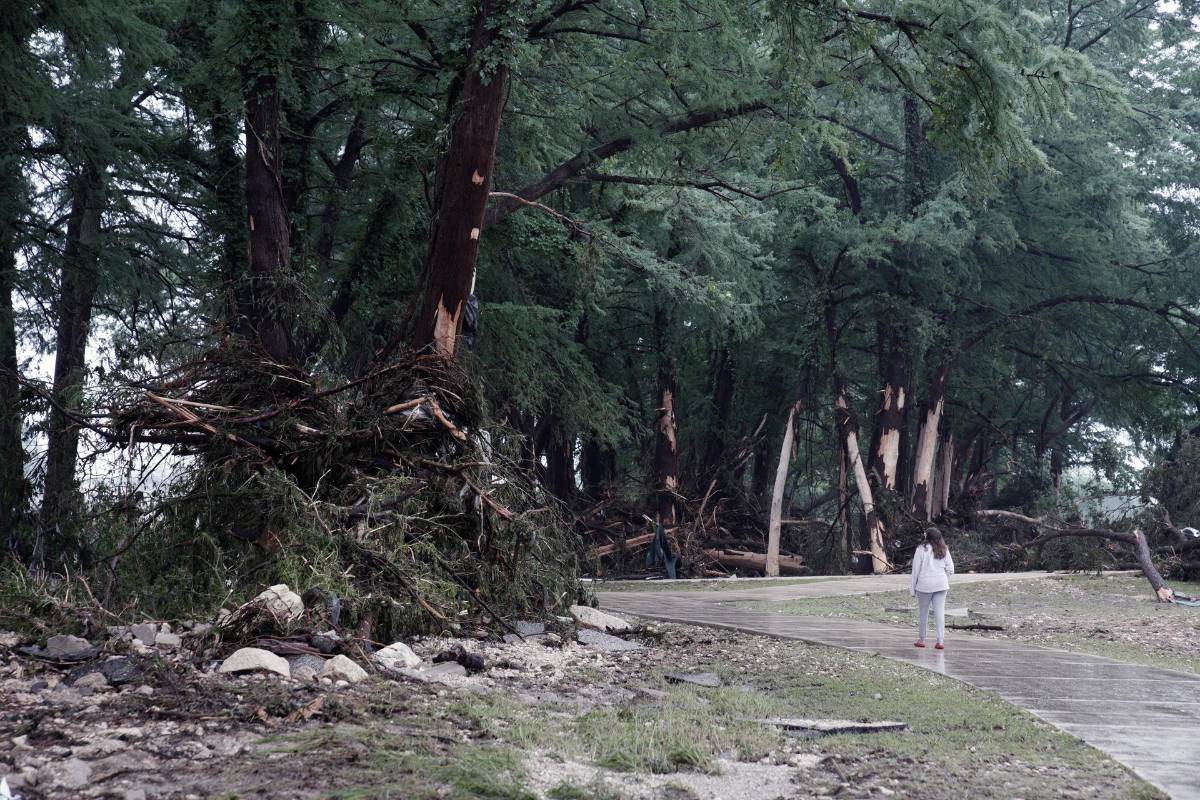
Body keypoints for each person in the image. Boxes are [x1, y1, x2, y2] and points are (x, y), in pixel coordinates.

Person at [910, 527, 954, 650]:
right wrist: (944, 578)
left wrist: (912, 589)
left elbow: (915, 570)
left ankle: (922, 640)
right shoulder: (944, 549)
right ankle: (940, 641)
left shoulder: (920, 549)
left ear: (927, 537)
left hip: (924, 585)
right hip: (941, 585)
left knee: (923, 613)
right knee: (940, 613)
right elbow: (951, 569)